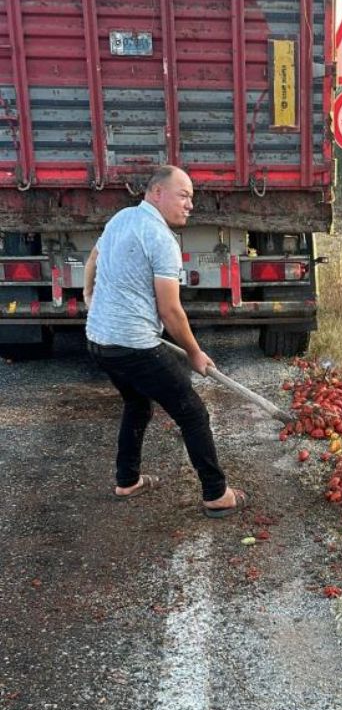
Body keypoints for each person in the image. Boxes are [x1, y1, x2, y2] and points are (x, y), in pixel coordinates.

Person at [84, 165, 245, 518]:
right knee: (193, 412)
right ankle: (216, 494)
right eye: (183, 195)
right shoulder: (161, 239)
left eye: (192, 198)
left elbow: (93, 257)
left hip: (99, 342)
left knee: (137, 404)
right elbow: (171, 311)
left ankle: (127, 480)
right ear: (156, 193)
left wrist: (87, 293)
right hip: (133, 346)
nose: (190, 205)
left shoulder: (122, 218)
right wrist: (195, 354)